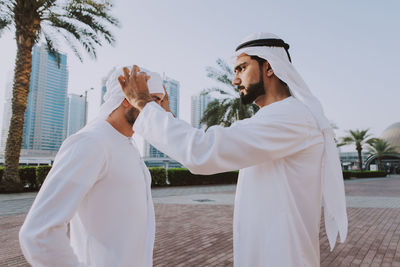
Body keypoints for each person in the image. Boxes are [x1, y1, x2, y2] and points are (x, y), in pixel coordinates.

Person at [118, 33, 348, 267]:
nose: (235, 80)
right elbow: (210, 147)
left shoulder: (292, 117)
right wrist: (163, 117)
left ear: (268, 67)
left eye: (241, 68)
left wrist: (144, 104)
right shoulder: (273, 118)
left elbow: (203, 152)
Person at [19, 66, 165, 267]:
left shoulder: (127, 143)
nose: (158, 111)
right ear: (126, 98)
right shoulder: (91, 142)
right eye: (153, 101)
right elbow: (38, 233)